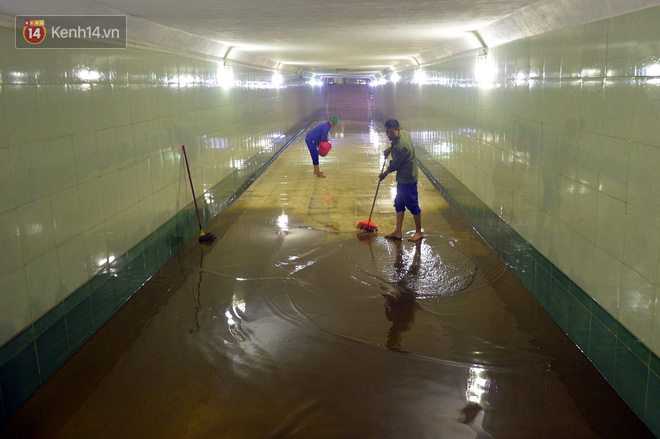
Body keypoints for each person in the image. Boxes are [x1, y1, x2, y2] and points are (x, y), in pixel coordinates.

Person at [378, 119, 423, 241]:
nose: (389, 135)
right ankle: (398, 231)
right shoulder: (403, 133)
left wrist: (384, 174)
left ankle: (419, 232)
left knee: (412, 204)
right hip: (403, 177)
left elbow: (395, 165)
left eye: (391, 132)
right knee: (399, 203)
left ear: (397, 130)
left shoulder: (400, 147)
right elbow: (395, 142)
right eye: (387, 132)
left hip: (408, 177)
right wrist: (390, 148)